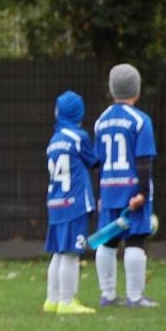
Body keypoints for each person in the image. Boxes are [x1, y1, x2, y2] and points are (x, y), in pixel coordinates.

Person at [92, 63, 158, 306]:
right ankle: (135, 296)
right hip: (132, 190)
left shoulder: (101, 121)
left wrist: (101, 192)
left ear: (111, 90)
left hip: (109, 190)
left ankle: (108, 295)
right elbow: (143, 161)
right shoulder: (141, 121)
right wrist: (143, 192)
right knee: (135, 240)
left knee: (107, 241)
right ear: (137, 90)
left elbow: (97, 163)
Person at [43, 90, 99, 315]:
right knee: (71, 254)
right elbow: (94, 161)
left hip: (55, 202)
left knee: (58, 252)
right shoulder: (78, 137)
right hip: (74, 203)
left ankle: (52, 299)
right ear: (79, 113)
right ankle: (67, 301)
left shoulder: (54, 140)